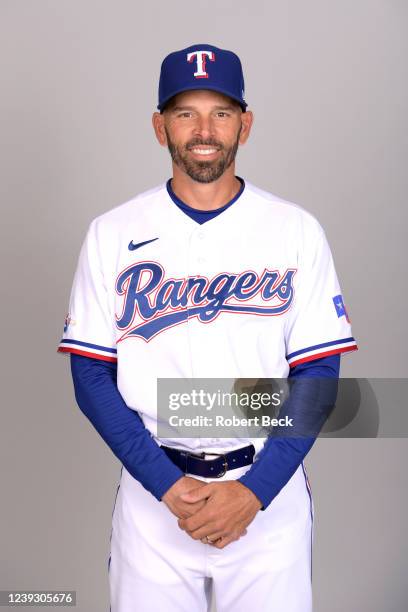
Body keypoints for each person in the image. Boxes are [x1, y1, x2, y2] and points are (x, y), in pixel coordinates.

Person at [58, 44, 358, 612]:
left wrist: (254, 492)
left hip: (267, 492)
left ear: (245, 125)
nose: (204, 129)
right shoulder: (112, 232)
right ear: (159, 126)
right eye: (184, 113)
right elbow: (91, 377)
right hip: (155, 493)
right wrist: (166, 486)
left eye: (221, 113)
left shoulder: (295, 230)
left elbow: (318, 375)